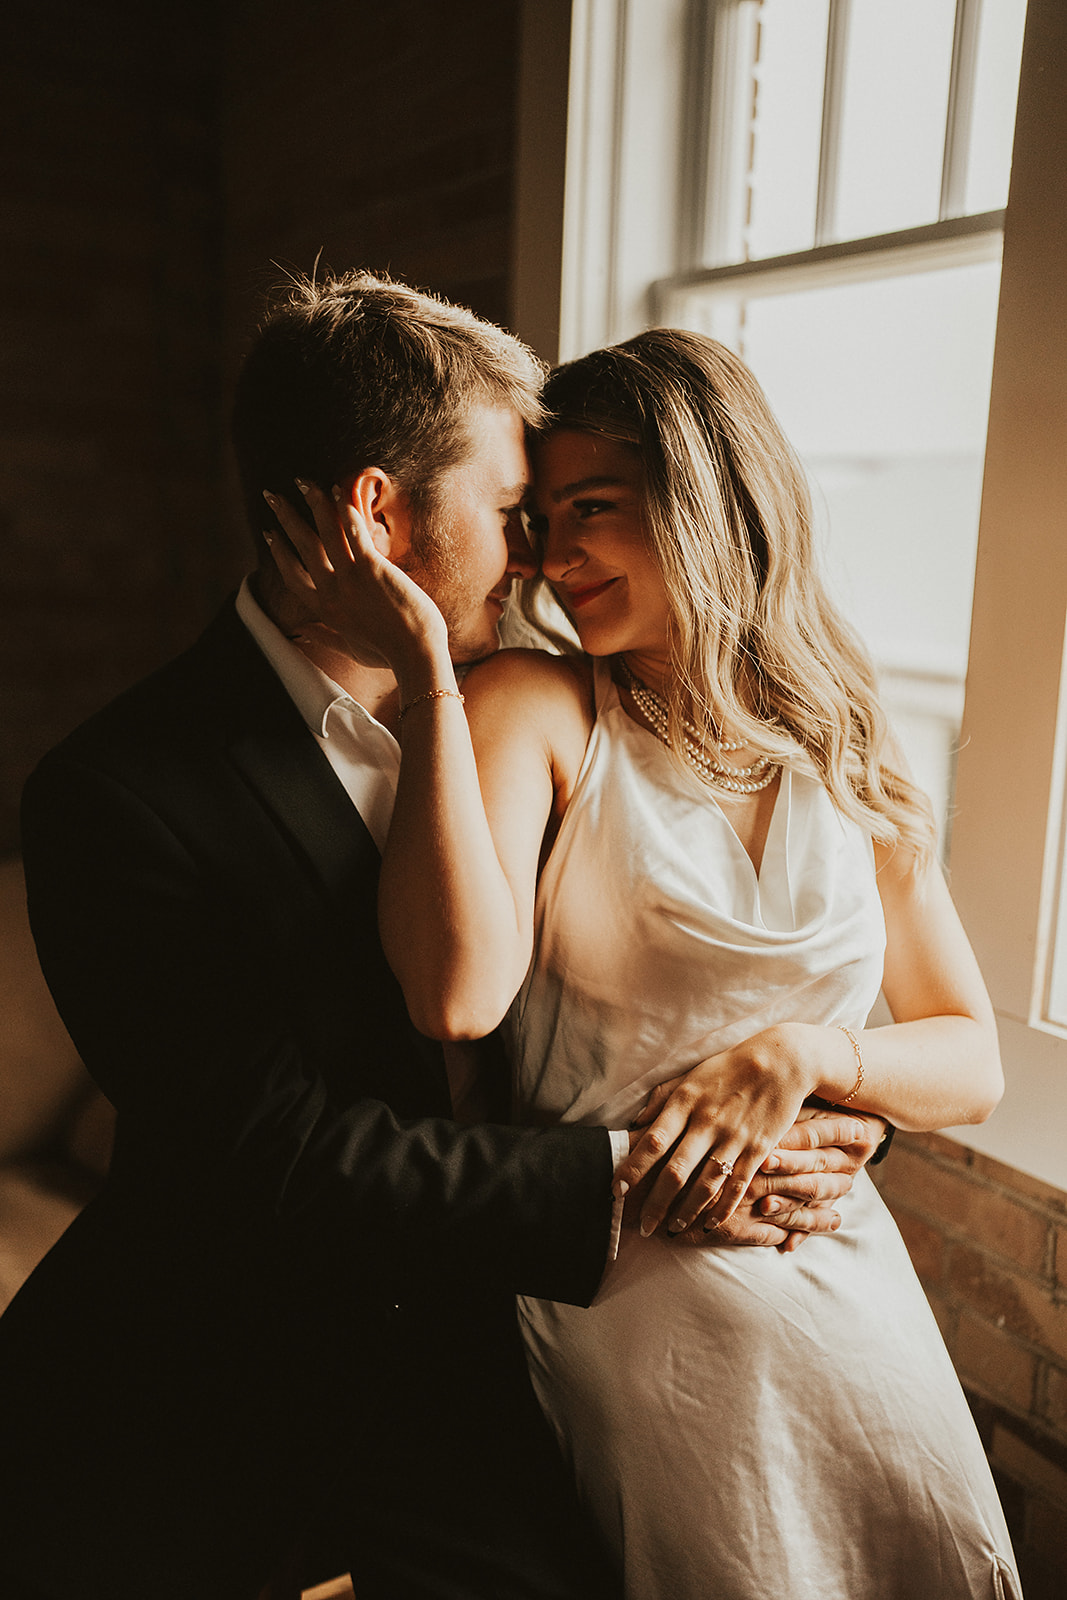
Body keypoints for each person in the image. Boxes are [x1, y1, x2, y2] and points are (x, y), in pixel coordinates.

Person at [0, 278, 879, 1600]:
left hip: (498, 1348)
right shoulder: (116, 794)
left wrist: (826, 1107)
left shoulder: (552, 698)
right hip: (213, 1368)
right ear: (375, 515)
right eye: (513, 515)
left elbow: (711, 959)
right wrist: (631, 1182)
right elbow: (274, 1154)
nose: (539, 557)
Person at [268, 326, 1022, 1599]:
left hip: (846, 1284)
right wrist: (431, 682)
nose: (553, 561)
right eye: (540, 518)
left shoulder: (838, 733)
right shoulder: (535, 708)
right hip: (639, 1299)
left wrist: (806, 1056)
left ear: (709, 496)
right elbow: (455, 994)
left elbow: (969, 1055)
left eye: (593, 510)